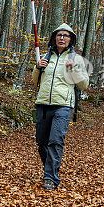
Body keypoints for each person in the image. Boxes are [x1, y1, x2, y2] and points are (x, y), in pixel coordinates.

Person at [31, 23, 89, 190]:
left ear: (71, 40)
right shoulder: (45, 56)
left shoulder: (75, 59)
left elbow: (84, 84)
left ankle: (50, 177)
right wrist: (37, 67)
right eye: (59, 35)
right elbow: (35, 81)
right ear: (54, 38)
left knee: (55, 141)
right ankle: (51, 167)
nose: (62, 38)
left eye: (66, 36)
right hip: (42, 103)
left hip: (63, 105)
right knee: (41, 141)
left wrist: (74, 70)